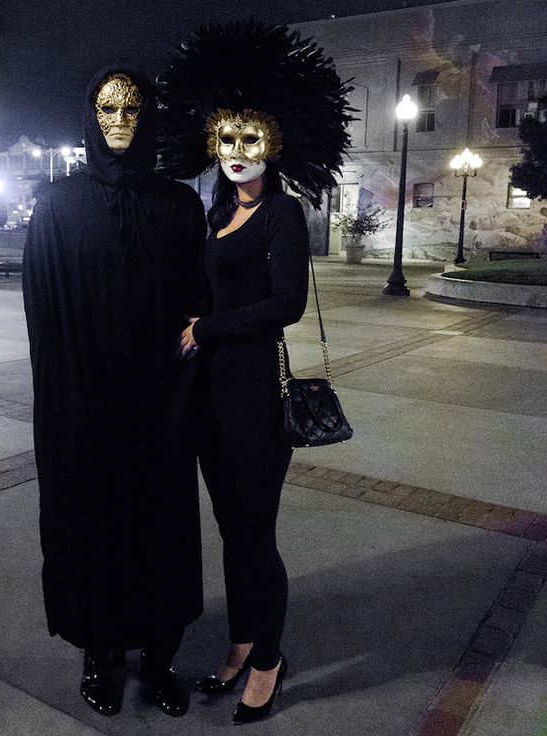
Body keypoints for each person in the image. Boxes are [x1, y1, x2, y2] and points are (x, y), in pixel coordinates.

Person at [158, 20, 353, 725]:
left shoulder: (283, 214)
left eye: (251, 139)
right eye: (226, 139)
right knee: (228, 530)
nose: (237, 152)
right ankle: (241, 643)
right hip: (208, 401)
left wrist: (205, 328)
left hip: (254, 404)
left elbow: (286, 304)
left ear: (274, 143)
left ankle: (269, 658)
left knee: (254, 535)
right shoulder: (212, 214)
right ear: (212, 142)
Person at [22, 66, 206, 718]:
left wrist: (188, 389)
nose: (120, 121)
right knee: (93, 527)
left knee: (159, 529)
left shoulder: (178, 204)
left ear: (147, 115)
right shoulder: (57, 206)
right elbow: (42, 316)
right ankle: (99, 653)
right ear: (90, 116)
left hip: (159, 407)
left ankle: (158, 657)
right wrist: (60, 406)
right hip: (86, 404)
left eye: (132, 108)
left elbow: (197, 307)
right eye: (107, 108)